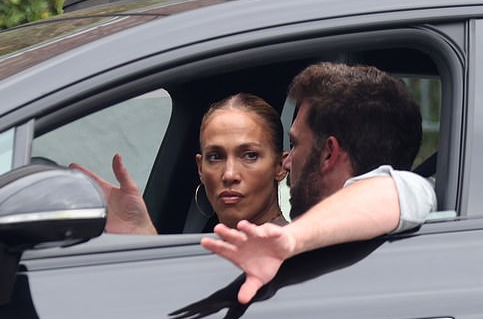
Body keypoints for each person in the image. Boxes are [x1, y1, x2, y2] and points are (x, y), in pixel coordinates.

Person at [200, 62, 437, 304]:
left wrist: (291, 240)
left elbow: (399, 190)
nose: (288, 162)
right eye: (215, 156)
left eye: (294, 145)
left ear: (328, 154)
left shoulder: (413, 193)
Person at [71, 93, 288, 233]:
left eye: (249, 155)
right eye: (216, 157)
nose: (229, 174)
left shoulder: (292, 254)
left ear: (280, 166)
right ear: (200, 169)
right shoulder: (215, 246)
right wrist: (142, 232)